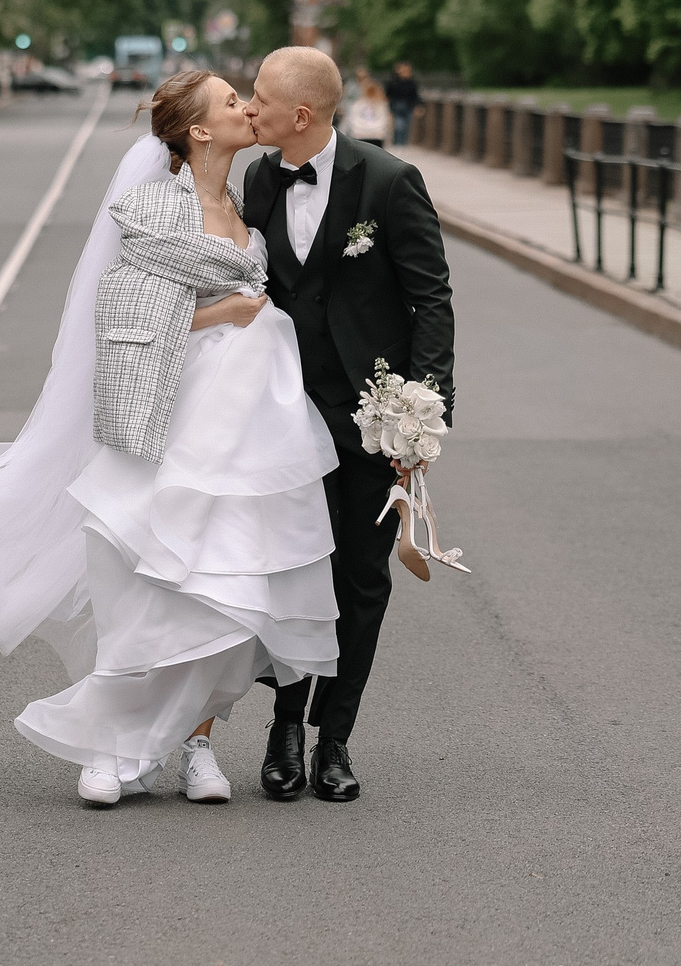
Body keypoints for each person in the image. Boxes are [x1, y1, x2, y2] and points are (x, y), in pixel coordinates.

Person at [0, 70, 338, 808]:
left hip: (245, 430)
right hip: (169, 414)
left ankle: (199, 743)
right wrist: (226, 314)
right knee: (143, 576)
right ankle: (110, 745)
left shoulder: (247, 207)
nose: (246, 106)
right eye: (231, 101)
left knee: (228, 586)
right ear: (200, 130)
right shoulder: (150, 208)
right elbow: (123, 310)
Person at [240, 45, 456, 803]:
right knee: (293, 572)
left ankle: (336, 738)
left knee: (361, 579)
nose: (248, 104)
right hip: (284, 413)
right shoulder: (261, 177)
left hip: (372, 420)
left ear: (301, 114)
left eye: (259, 95)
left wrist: (421, 417)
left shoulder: (393, 182)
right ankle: (284, 727)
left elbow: (431, 301)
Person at [343, 70, 393, 147]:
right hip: (376, 134)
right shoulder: (381, 105)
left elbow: (352, 119)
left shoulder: (357, 104)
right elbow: (385, 121)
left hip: (360, 134)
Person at [384, 61, 421, 143]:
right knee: (399, 125)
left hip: (408, 106)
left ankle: (403, 143)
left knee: (406, 126)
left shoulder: (412, 82)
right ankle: (398, 143)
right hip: (396, 106)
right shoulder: (393, 82)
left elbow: (415, 95)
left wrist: (418, 105)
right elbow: (388, 94)